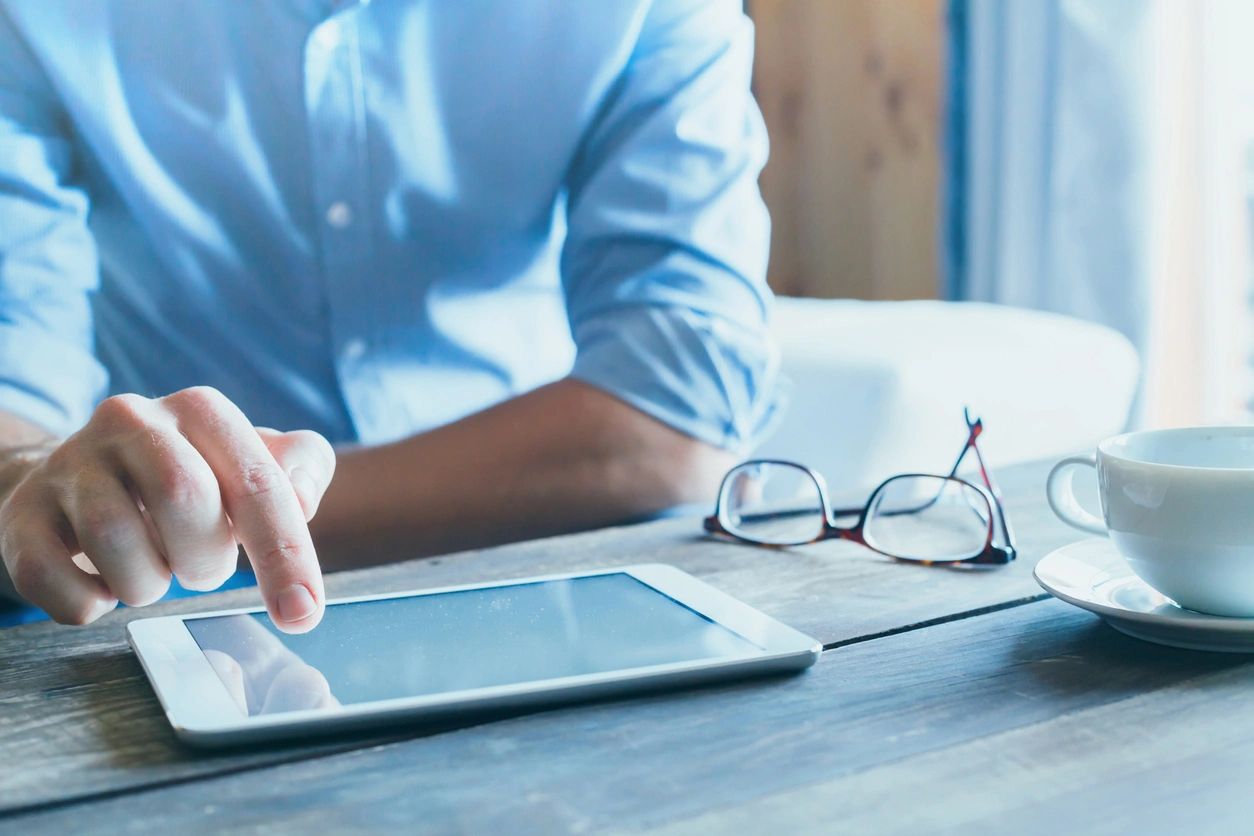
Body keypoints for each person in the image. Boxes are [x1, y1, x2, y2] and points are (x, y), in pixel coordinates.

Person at [0, 0, 779, 631]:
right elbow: (15, 368)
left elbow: (673, 419)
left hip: (543, 581)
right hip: (154, 607)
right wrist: (34, 484)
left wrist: (226, 512)